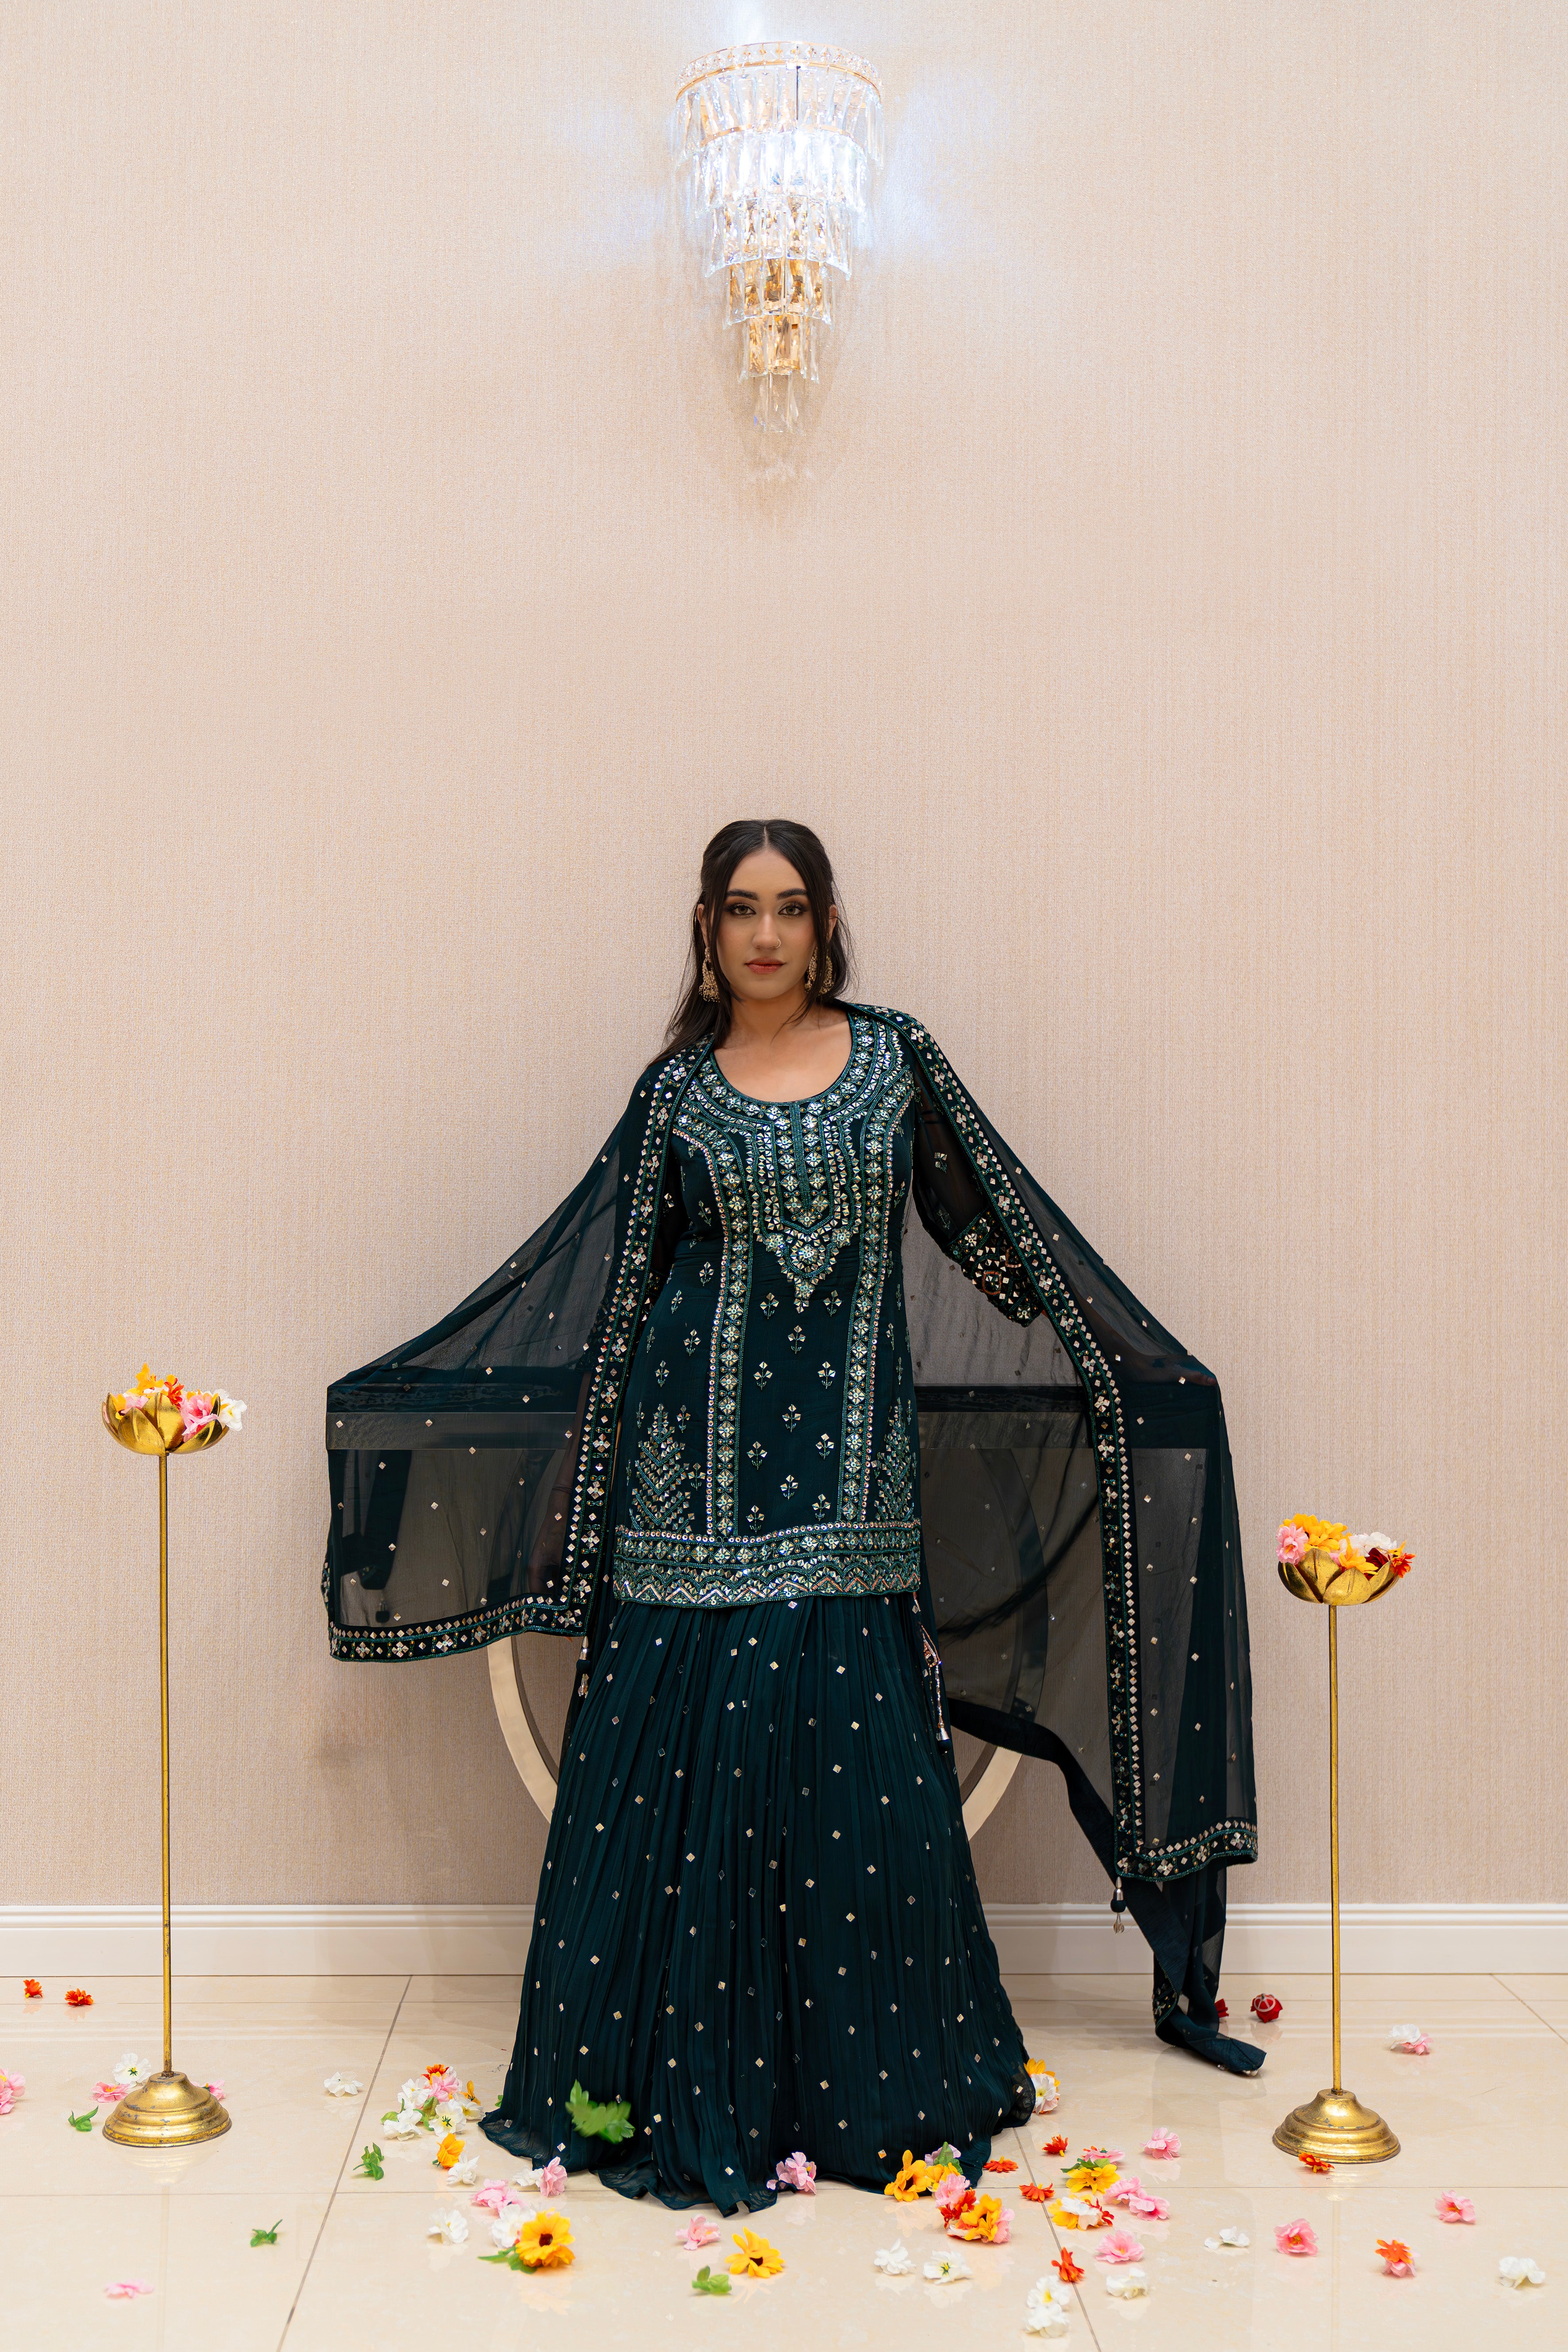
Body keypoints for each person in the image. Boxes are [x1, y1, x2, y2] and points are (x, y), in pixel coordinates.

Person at [321, 818, 1262, 2212]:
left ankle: (861, 2083)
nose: (768, 934)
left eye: (793, 908)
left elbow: (988, 1226)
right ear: (705, 927)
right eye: (741, 909)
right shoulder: (678, 1097)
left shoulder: (894, 1058)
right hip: (687, 1486)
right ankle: (644, 2071)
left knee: (848, 1756)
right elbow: (613, 1281)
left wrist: (1112, 1359)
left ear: (826, 924)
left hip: (846, 1489)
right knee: (682, 1760)